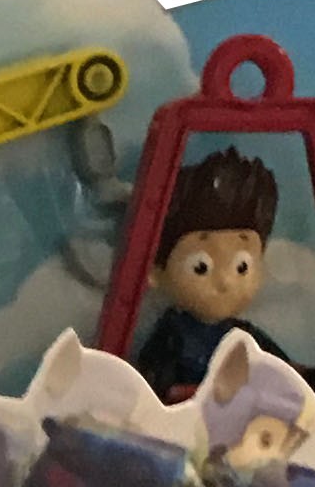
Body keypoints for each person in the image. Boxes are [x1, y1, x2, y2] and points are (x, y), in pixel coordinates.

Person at [127, 150, 296, 398]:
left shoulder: (242, 336)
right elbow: (155, 383)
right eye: (201, 267)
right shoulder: (173, 335)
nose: (225, 281)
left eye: (241, 267)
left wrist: (313, 377)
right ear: (155, 272)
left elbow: (283, 370)